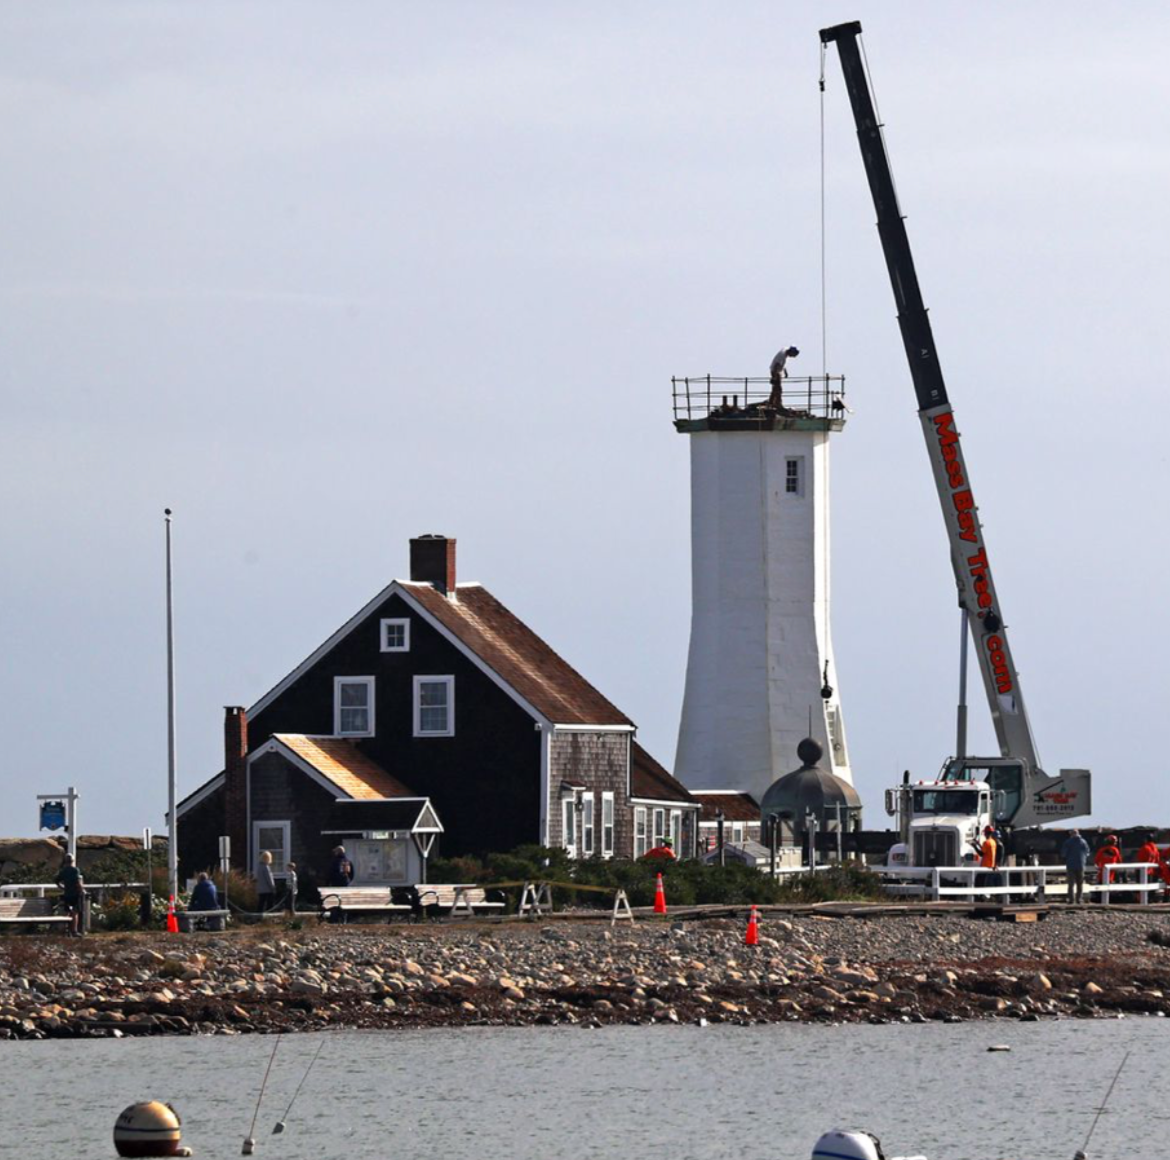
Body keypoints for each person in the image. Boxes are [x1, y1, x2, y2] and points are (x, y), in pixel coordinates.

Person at [54, 853, 84, 936]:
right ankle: (74, 930)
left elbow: (56, 880)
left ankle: (65, 930)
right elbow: (78, 882)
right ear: (73, 861)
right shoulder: (75, 870)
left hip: (67, 894)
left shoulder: (63, 871)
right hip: (75, 894)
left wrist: (63, 887)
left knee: (67, 912)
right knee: (75, 912)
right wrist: (82, 890)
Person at [1061, 828, 1090, 904]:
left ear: (1071, 834)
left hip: (1071, 865)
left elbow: (1064, 854)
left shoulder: (1068, 842)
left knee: (1071, 884)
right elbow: (1087, 852)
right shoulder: (1083, 842)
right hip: (1081, 865)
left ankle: (1071, 899)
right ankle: (1079, 899)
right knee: (1080, 884)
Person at [1094, 834, 1123, 900]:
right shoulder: (1116, 850)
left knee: (1101, 886)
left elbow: (1096, 860)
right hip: (1112, 872)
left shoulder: (1102, 850)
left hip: (1102, 872)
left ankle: (1101, 899)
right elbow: (1119, 861)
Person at [974, 826, 998, 892]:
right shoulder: (993, 842)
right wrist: (978, 844)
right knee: (987, 882)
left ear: (985, 833)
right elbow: (985, 850)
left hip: (985, 866)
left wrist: (974, 846)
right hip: (992, 865)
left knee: (979, 882)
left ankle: (979, 896)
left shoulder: (986, 842)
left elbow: (981, 853)